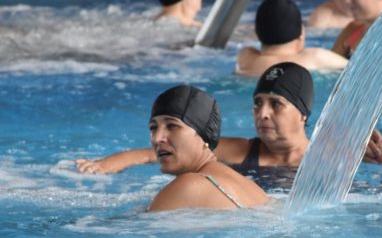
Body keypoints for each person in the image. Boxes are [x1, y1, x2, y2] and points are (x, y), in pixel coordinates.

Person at [76, 62, 313, 177]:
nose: (262, 113)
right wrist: (103, 166)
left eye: (276, 104)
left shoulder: (328, 160)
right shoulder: (240, 151)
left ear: (303, 113)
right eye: (257, 103)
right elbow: (148, 154)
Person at [145, 85, 268, 211]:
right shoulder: (254, 189)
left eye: (172, 126)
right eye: (153, 128)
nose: (157, 138)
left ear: (203, 135)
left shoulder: (189, 186)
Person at [236, 0, 348, 77]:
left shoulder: (246, 58)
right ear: (301, 34)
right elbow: (354, 67)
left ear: (257, 33)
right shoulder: (314, 58)